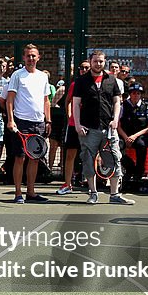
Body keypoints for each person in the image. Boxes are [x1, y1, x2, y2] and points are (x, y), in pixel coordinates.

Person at [71, 50, 135, 205]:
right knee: (87, 160)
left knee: (114, 159)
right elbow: (76, 104)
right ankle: (93, 193)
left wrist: (115, 120)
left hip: (109, 129)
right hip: (88, 129)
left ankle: (115, 194)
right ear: (90, 61)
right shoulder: (81, 81)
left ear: (104, 62)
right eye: (95, 61)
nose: (98, 64)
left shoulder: (111, 80)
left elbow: (116, 102)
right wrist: (78, 125)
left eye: (101, 61)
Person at [5, 43, 51, 204]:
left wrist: (48, 120)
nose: (31, 58)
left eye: (33, 56)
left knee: (35, 159)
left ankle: (31, 192)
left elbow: (46, 101)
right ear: (24, 57)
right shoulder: (17, 75)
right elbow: (9, 99)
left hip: (38, 123)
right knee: (19, 158)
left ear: (38, 57)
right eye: (28, 56)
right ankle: (18, 193)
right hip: (21, 122)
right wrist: (11, 120)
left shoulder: (43, 76)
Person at [57, 60, 90, 195]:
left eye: (86, 67)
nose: (83, 70)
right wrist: (72, 116)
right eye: (81, 67)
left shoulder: (95, 85)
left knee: (90, 155)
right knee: (70, 154)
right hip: (73, 125)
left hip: (89, 125)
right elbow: (68, 102)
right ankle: (67, 184)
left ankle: (90, 183)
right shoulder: (74, 85)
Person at [118, 82, 148, 193]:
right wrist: (126, 137)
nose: (136, 95)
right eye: (133, 93)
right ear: (130, 94)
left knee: (141, 145)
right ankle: (130, 168)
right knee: (116, 147)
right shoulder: (123, 106)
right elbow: (118, 125)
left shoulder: (147, 106)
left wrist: (134, 136)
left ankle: (138, 174)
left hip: (140, 135)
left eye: (138, 93)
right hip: (124, 135)